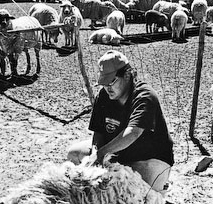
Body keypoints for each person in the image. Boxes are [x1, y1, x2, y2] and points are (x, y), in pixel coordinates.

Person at [67, 50, 174, 195]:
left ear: (127, 75)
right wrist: (95, 152)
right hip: (118, 153)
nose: (107, 88)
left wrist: (102, 153)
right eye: (104, 83)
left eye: (111, 82)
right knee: (74, 153)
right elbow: (98, 132)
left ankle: (161, 184)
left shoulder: (145, 96)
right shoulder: (104, 96)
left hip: (148, 158)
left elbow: (133, 132)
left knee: (135, 194)